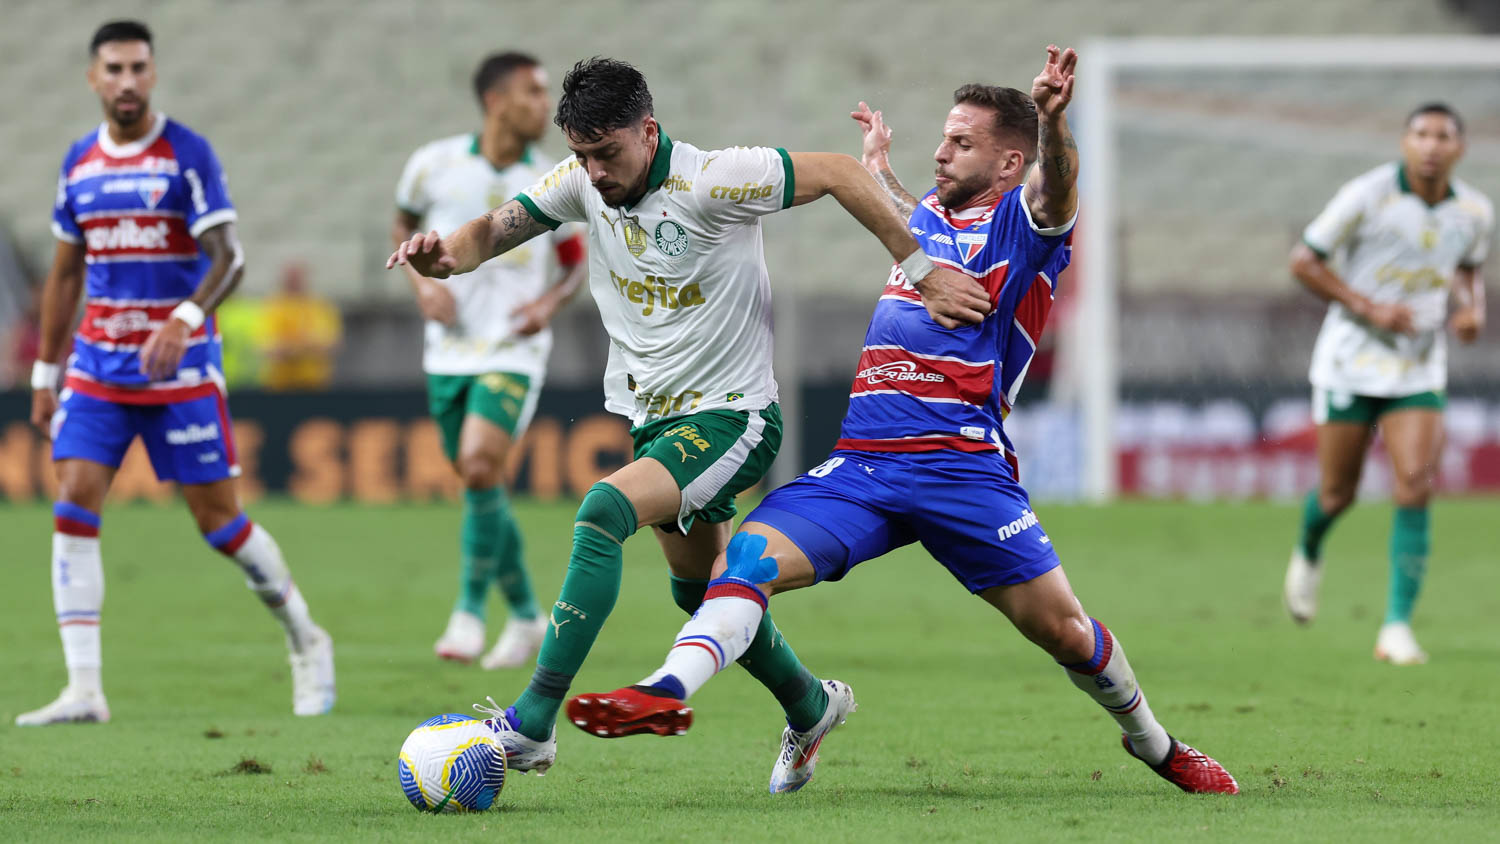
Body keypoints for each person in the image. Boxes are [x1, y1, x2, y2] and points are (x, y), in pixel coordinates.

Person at [565, 47, 1240, 796]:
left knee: (1064, 632)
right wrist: (877, 166)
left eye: (960, 143)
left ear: (1011, 162)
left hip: (963, 469)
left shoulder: (1024, 225)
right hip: (863, 464)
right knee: (743, 565)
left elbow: (1060, 191)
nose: (939, 152)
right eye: (942, 138)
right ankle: (664, 689)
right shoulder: (922, 224)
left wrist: (1052, 120)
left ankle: (1154, 743)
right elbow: (893, 203)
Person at [390, 57, 991, 781]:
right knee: (698, 590)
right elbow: (497, 227)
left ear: (648, 130)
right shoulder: (582, 182)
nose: (595, 172)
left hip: (733, 418)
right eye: (582, 155)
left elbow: (838, 171)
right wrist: (445, 254)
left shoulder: (715, 178)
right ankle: (809, 705)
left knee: (602, 510)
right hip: (656, 420)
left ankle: (532, 722)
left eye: (607, 153)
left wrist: (921, 273)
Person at [18, 20, 335, 726]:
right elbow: (66, 272)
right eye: (114, 69)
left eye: (138, 67)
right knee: (73, 503)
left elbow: (230, 257)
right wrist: (45, 372)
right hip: (99, 366)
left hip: (180, 371)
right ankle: (85, 689)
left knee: (220, 524)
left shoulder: (185, 155)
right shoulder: (78, 162)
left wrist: (184, 320)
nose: (127, 81)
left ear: (152, 74)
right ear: (93, 78)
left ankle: (306, 638)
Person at [392, 52, 587, 669]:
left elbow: (577, 260)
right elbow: (402, 222)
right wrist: (423, 286)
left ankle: (470, 612)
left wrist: (548, 307)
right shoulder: (434, 164)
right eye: (533, 92)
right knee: (481, 484)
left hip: (513, 347)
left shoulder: (554, 176)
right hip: (448, 351)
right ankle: (529, 615)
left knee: (479, 465)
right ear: (496, 101)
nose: (545, 105)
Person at [1283, 103, 1492, 665]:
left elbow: (1470, 269)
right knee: (1338, 492)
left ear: (1459, 148)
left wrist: (1472, 309)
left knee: (1415, 483)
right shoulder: (1367, 195)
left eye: (1442, 136)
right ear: (1404, 143)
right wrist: (1368, 306)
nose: (1430, 145)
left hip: (1418, 367)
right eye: (1420, 134)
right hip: (1350, 361)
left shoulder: (1474, 210)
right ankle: (1308, 548)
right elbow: (1303, 261)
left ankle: (1396, 626)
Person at [259, 261, 341, 391]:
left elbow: (330, 344)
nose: (295, 282)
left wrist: (292, 347)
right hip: (280, 384)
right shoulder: (273, 306)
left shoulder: (320, 306)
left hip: (315, 383)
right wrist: (305, 347)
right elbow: (269, 347)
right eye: (292, 277)